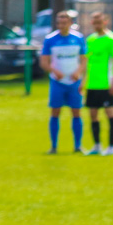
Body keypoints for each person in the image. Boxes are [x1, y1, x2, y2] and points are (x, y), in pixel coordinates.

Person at [40, 11, 86, 155]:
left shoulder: (78, 38)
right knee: (55, 112)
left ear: (70, 23)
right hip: (57, 82)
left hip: (74, 82)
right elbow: (44, 61)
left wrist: (78, 72)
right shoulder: (50, 39)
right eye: (59, 23)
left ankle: (77, 146)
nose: (61, 26)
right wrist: (53, 71)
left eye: (64, 23)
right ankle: (54, 146)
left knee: (76, 112)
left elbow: (84, 59)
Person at [82, 12, 113, 156]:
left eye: (99, 22)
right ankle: (97, 145)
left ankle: (112, 146)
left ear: (106, 22)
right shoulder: (90, 39)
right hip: (92, 84)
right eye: (94, 22)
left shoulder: (112, 39)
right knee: (92, 114)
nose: (96, 25)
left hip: (106, 84)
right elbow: (87, 62)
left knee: (110, 113)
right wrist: (83, 81)